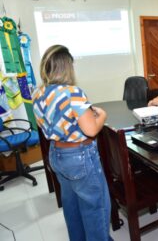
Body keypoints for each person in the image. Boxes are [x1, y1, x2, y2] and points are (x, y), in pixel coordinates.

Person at [33, 45, 112, 241]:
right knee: (96, 209)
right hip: (80, 157)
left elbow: (49, 123)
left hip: (57, 154)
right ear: (67, 67)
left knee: (72, 207)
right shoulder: (73, 92)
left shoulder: (38, 93)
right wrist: (101, 115)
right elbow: (91, 130)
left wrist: (78, 118)